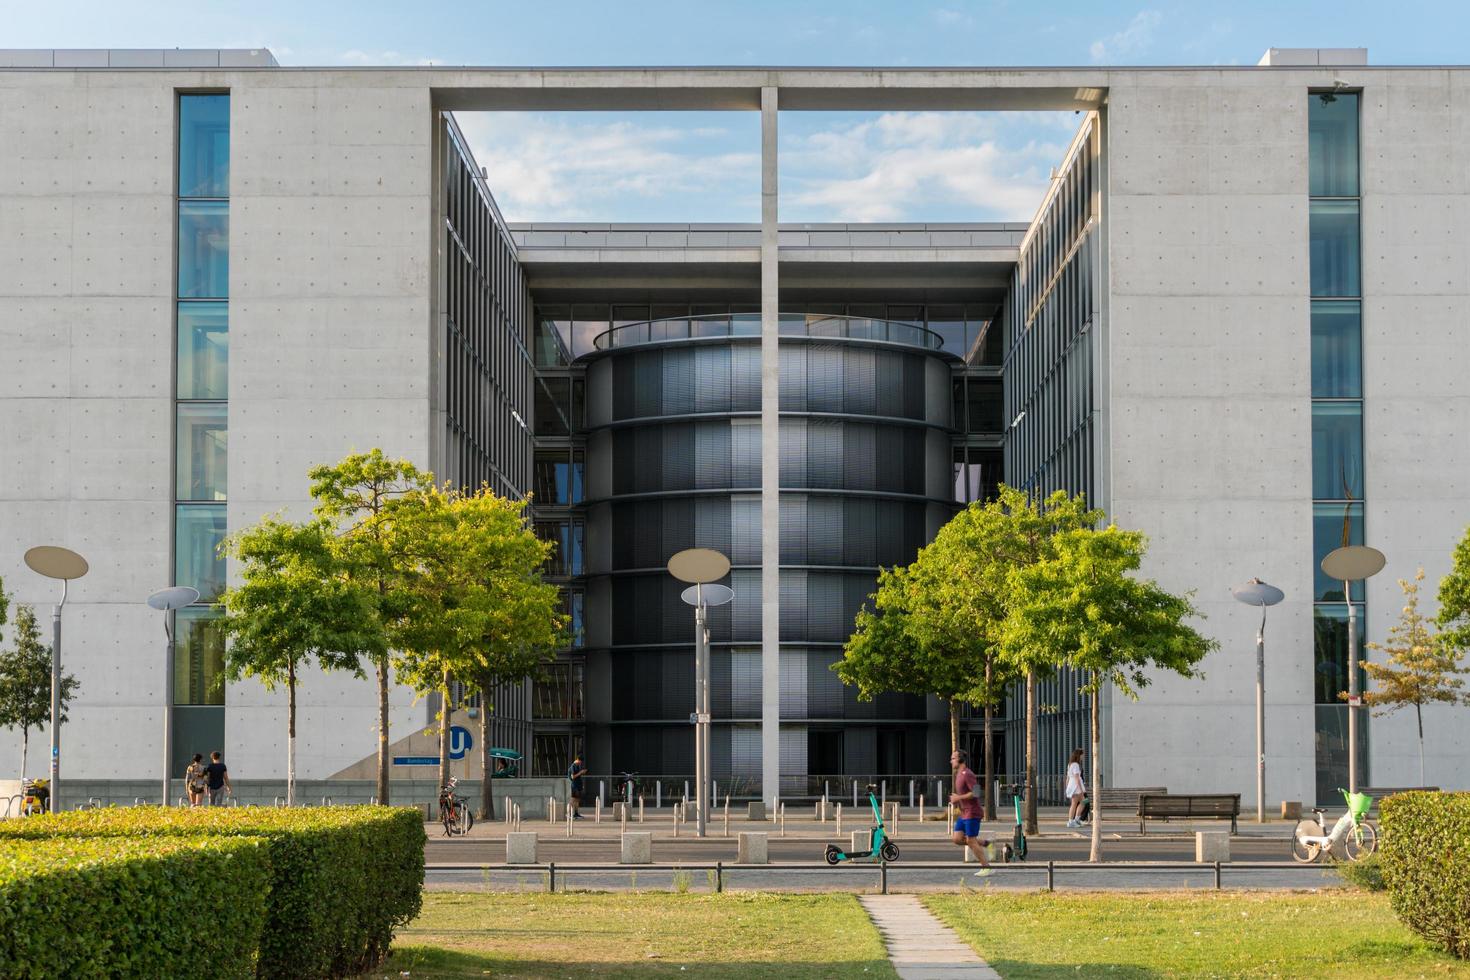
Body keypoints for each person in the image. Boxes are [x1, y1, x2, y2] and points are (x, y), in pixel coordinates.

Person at [948, 749, 993, 877]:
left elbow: (977, 792)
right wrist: (957, 799)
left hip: (972, 813)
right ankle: (986, 844)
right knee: (957, 839)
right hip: (964, 813)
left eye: (953, 758)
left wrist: (959, 798)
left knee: (971, 840)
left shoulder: (968, 774)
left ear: (960, 759)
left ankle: (987, 868)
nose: (950, 761)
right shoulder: (959, 774)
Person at [1065, 748, 1088, 828]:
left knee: (1083, 802)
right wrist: (1081, 790)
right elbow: (1077, 778)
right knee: (1076, 803)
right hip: (1076, 786)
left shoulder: (1070, 764)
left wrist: (1067, 787)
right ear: (1079, 755)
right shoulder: (1075, 765)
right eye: (1082, 755)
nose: (1083, 757)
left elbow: (1067, 777)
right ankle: (1071, 821)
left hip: (1072, 785)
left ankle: (1076, 820)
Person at [566, 755, 587, 819]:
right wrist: (580, 772)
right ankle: (568, 813)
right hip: (574, 786)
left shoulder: (577, 766)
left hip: (578, 786)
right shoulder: (573, 766)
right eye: (580, 762)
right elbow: (573, 777)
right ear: (578, 760)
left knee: (577, 800)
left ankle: (576, 813)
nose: (580, 763)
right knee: (573, 799)